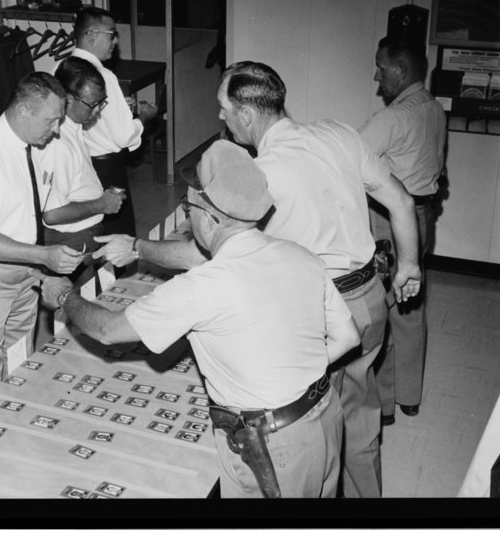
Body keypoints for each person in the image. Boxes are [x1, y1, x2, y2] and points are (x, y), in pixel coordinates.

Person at [92, 61, 422, 499]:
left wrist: (138, 248)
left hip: (324, 311)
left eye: (223, 109)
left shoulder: (263, 173)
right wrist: (410, 266)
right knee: (359, 422)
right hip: (371, 298)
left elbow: (204, 252)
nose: (221, 118)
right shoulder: (338, 132)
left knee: (319, 420)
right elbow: (400, 200)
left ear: (247, 114)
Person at [32, 140, 361, 498]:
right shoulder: (299, 254)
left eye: (188, 207)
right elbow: (347, 337)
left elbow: (107, 330)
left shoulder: (202, 288)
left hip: (272, 446)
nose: (187, 216)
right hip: (326, 417)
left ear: (208, 217)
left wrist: (65, 295)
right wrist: (294, 378)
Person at [0, 72, 84, 392]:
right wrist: (43, 255)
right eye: (51, 120)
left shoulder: (25, 144)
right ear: (23, 111)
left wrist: (34, 264)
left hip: (23, 273)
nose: (56, 130)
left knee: (19, 361)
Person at [358, 35, 447, 423]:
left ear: (401, 69)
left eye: (381, 67)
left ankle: (384, 406)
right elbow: (439, 170)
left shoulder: (392, 117)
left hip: (390, 220)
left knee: (380, 308)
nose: (377, 76)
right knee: (410, 306)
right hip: (424, 217)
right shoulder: (434, 109)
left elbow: (351, 159)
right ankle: (408, 397)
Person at [53, 6, 158, 236]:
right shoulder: (104, 77)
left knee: (91, 229)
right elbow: (123, 135)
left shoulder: (59, 68)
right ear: (91, 35)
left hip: (77, 162)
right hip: (106, 166)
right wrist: (144, 118)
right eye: (111, 34)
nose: (115, 41)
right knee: (117, 235)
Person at [40, 56, 126, 285]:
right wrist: (102, 204)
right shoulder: (58, 144)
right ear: (67, 99)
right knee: (70, 306)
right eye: (92, 104)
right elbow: (52, 213)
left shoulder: (74, 128)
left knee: (90, 298)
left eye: (102, 102)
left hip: (83, 240)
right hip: (69, 243)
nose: (98, 111)